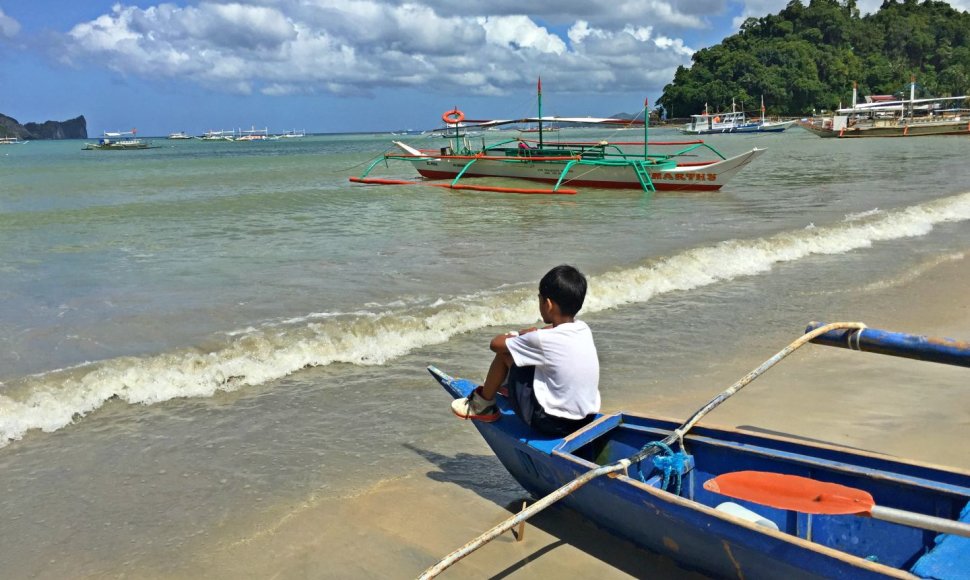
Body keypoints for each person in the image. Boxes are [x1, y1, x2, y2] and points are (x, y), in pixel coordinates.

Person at [451, 265, 600, 436]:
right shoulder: (583, 329)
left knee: (505, 354)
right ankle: (509, 386)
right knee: (533, 358)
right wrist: (531, 335)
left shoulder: (541, 341)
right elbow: (551, 335)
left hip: (550, 423)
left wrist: (516, 335)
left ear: (548, 304)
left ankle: (483, 405)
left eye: (540, 299)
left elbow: (495, 344)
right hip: (586, 417)